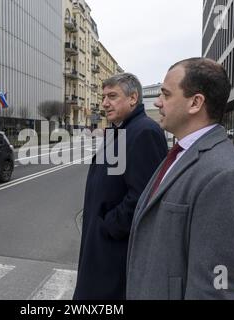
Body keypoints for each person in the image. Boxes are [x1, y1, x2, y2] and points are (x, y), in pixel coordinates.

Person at [126, 58, 234, 300]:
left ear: (195, 102)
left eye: (166, 95)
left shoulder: (225, 176)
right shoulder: (181, 153)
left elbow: (214, 289)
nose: (157, 102)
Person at [73, 73, 168, 300]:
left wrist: (109, 226)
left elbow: (144, 195)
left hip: (115, 253)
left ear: (133, 98)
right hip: (101, 246)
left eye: (112, 96)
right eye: (103, 96)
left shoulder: (144, 132)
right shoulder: (121, 130)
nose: (105, 103)